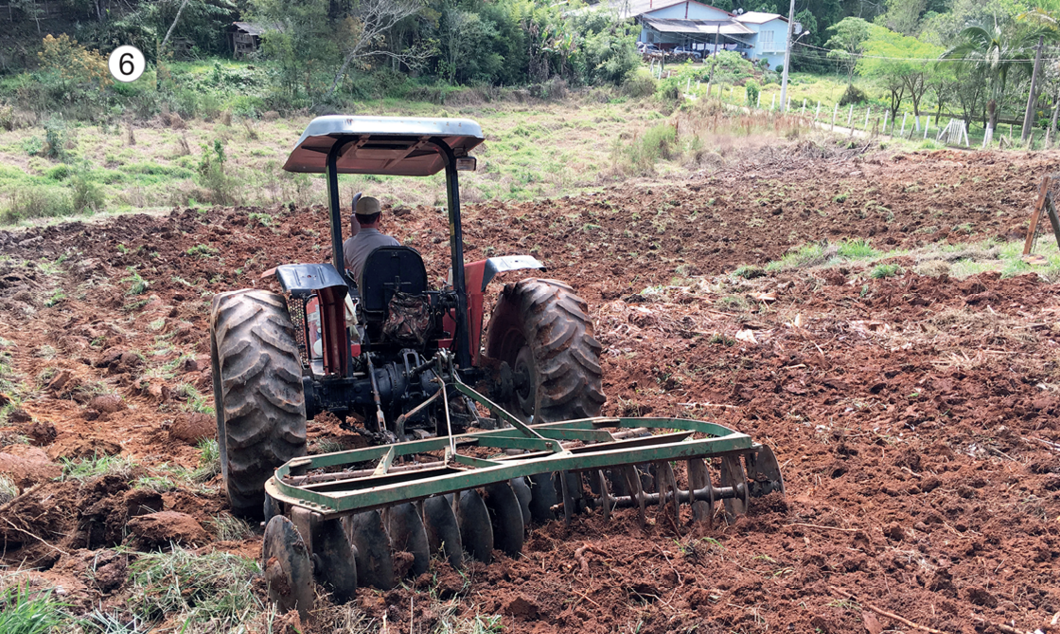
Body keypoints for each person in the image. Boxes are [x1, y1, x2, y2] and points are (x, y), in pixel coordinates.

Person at [342, 195, 400, 281]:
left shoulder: (347, 245)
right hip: (389, 293)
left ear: (357, 218)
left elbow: (342, 265)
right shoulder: (392, 243)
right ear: (379, 217)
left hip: (364, 294)